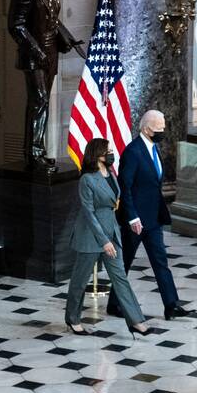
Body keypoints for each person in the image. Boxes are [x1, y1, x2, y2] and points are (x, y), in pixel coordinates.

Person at [7, 0, 86, 170]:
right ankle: (33, 153)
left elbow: (52, 20)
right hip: (33, 54)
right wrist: (36, 50)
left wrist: (65, 39)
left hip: (51, 51)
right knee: (38, 99)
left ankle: (38, 150)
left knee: (44, 101)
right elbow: (16, 25)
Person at [108, 110, 194, 321]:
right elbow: (125, 187)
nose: (163, 132)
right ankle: (114, 303)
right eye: (159, 129)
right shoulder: (133, 152)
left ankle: (171, 305)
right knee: (124, 262)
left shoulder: (154, 149)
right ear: (147, 129)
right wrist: (132, 217)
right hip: (135, 221)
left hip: (153, 219)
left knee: (160, 261)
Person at [64, 138, 149, 337]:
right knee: (80, 281)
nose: (111, 154)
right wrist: (104, 241)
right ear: (97, 155)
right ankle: (73, 319)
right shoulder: (87, 179)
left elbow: (114, 202)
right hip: (90, 236)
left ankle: (135, 320)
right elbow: (88, 213)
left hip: (112, 231)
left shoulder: (110, 173)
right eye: (107, 151)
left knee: (120, 277)